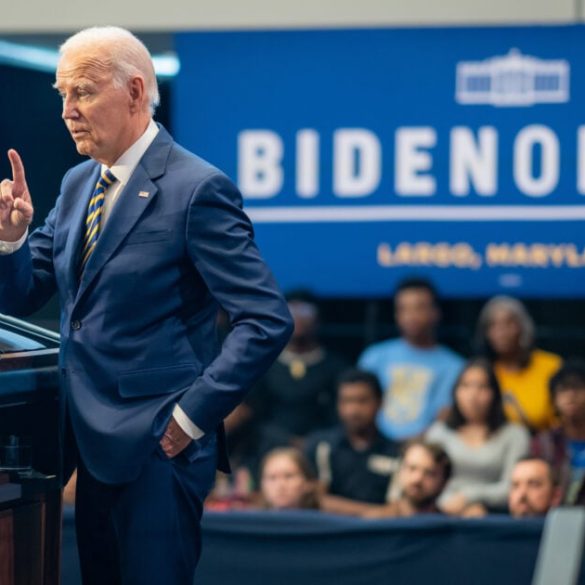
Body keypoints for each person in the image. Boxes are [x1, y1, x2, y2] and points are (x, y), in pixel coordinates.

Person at [0, 26, 292, 585]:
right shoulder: (77, 183)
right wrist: (11, 240)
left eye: (83, 92)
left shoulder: (197, 189)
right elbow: (23, 293)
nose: (67, 111)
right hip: (86, 446)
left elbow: (265, 319)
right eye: (62, 94)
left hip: (159, 450)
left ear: (135, 91)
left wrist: (190, 417)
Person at [228, 291, 348, 471]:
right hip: (267, 447)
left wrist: (311, 441)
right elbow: (252, 411)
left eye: (305, 311)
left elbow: (338, 416)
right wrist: (285, 441)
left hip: (321, 448)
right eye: (291, 310)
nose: (298, 317)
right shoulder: (262, 363)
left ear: (318, 318)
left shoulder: (336, 366)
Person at [358, 277, 464, 441]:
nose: (410, 316)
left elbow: (443, 419)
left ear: (436, 313)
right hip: (374, 446)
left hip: (427, 449)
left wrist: (413, 447)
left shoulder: (454, 366)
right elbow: (359, 406)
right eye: (403, 309)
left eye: (419, 308)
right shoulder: (374, 357)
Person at [426, 358, 530, 516]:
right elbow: (427, 481)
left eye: (482, 387)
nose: (472, 395)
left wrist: (468, 497)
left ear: (495, 393)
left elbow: (513, 487)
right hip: (441, 512)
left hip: (497, 515)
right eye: (465, 385)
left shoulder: (515, 435)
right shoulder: (438, 433)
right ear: (455, 392)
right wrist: (452, 506)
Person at [305, 369, 400, 507]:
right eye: (346, 401)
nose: (353, 410)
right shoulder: (320, 446)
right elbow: (313, 500)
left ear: (380, 403)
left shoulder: (395, 453)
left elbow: (397, 509)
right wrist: (374, 513)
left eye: (362, 401)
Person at [475, 296, 562, 432]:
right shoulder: (480, 372)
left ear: (524, 327)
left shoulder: (552, 366)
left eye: (509, 323)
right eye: (493, 325)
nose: (501, 331)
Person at [322, 440, 451, 518]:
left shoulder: (450, 530)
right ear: (400, 471)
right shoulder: (377, 522)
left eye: (429, 473)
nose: (417, 479)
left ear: (444, 482)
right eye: (412, 468)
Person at [532, 360, 585, 505]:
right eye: (563, 389)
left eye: (577, 388)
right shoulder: (543, 443)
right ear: (553, 399)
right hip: (553, 513)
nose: (570, 395)